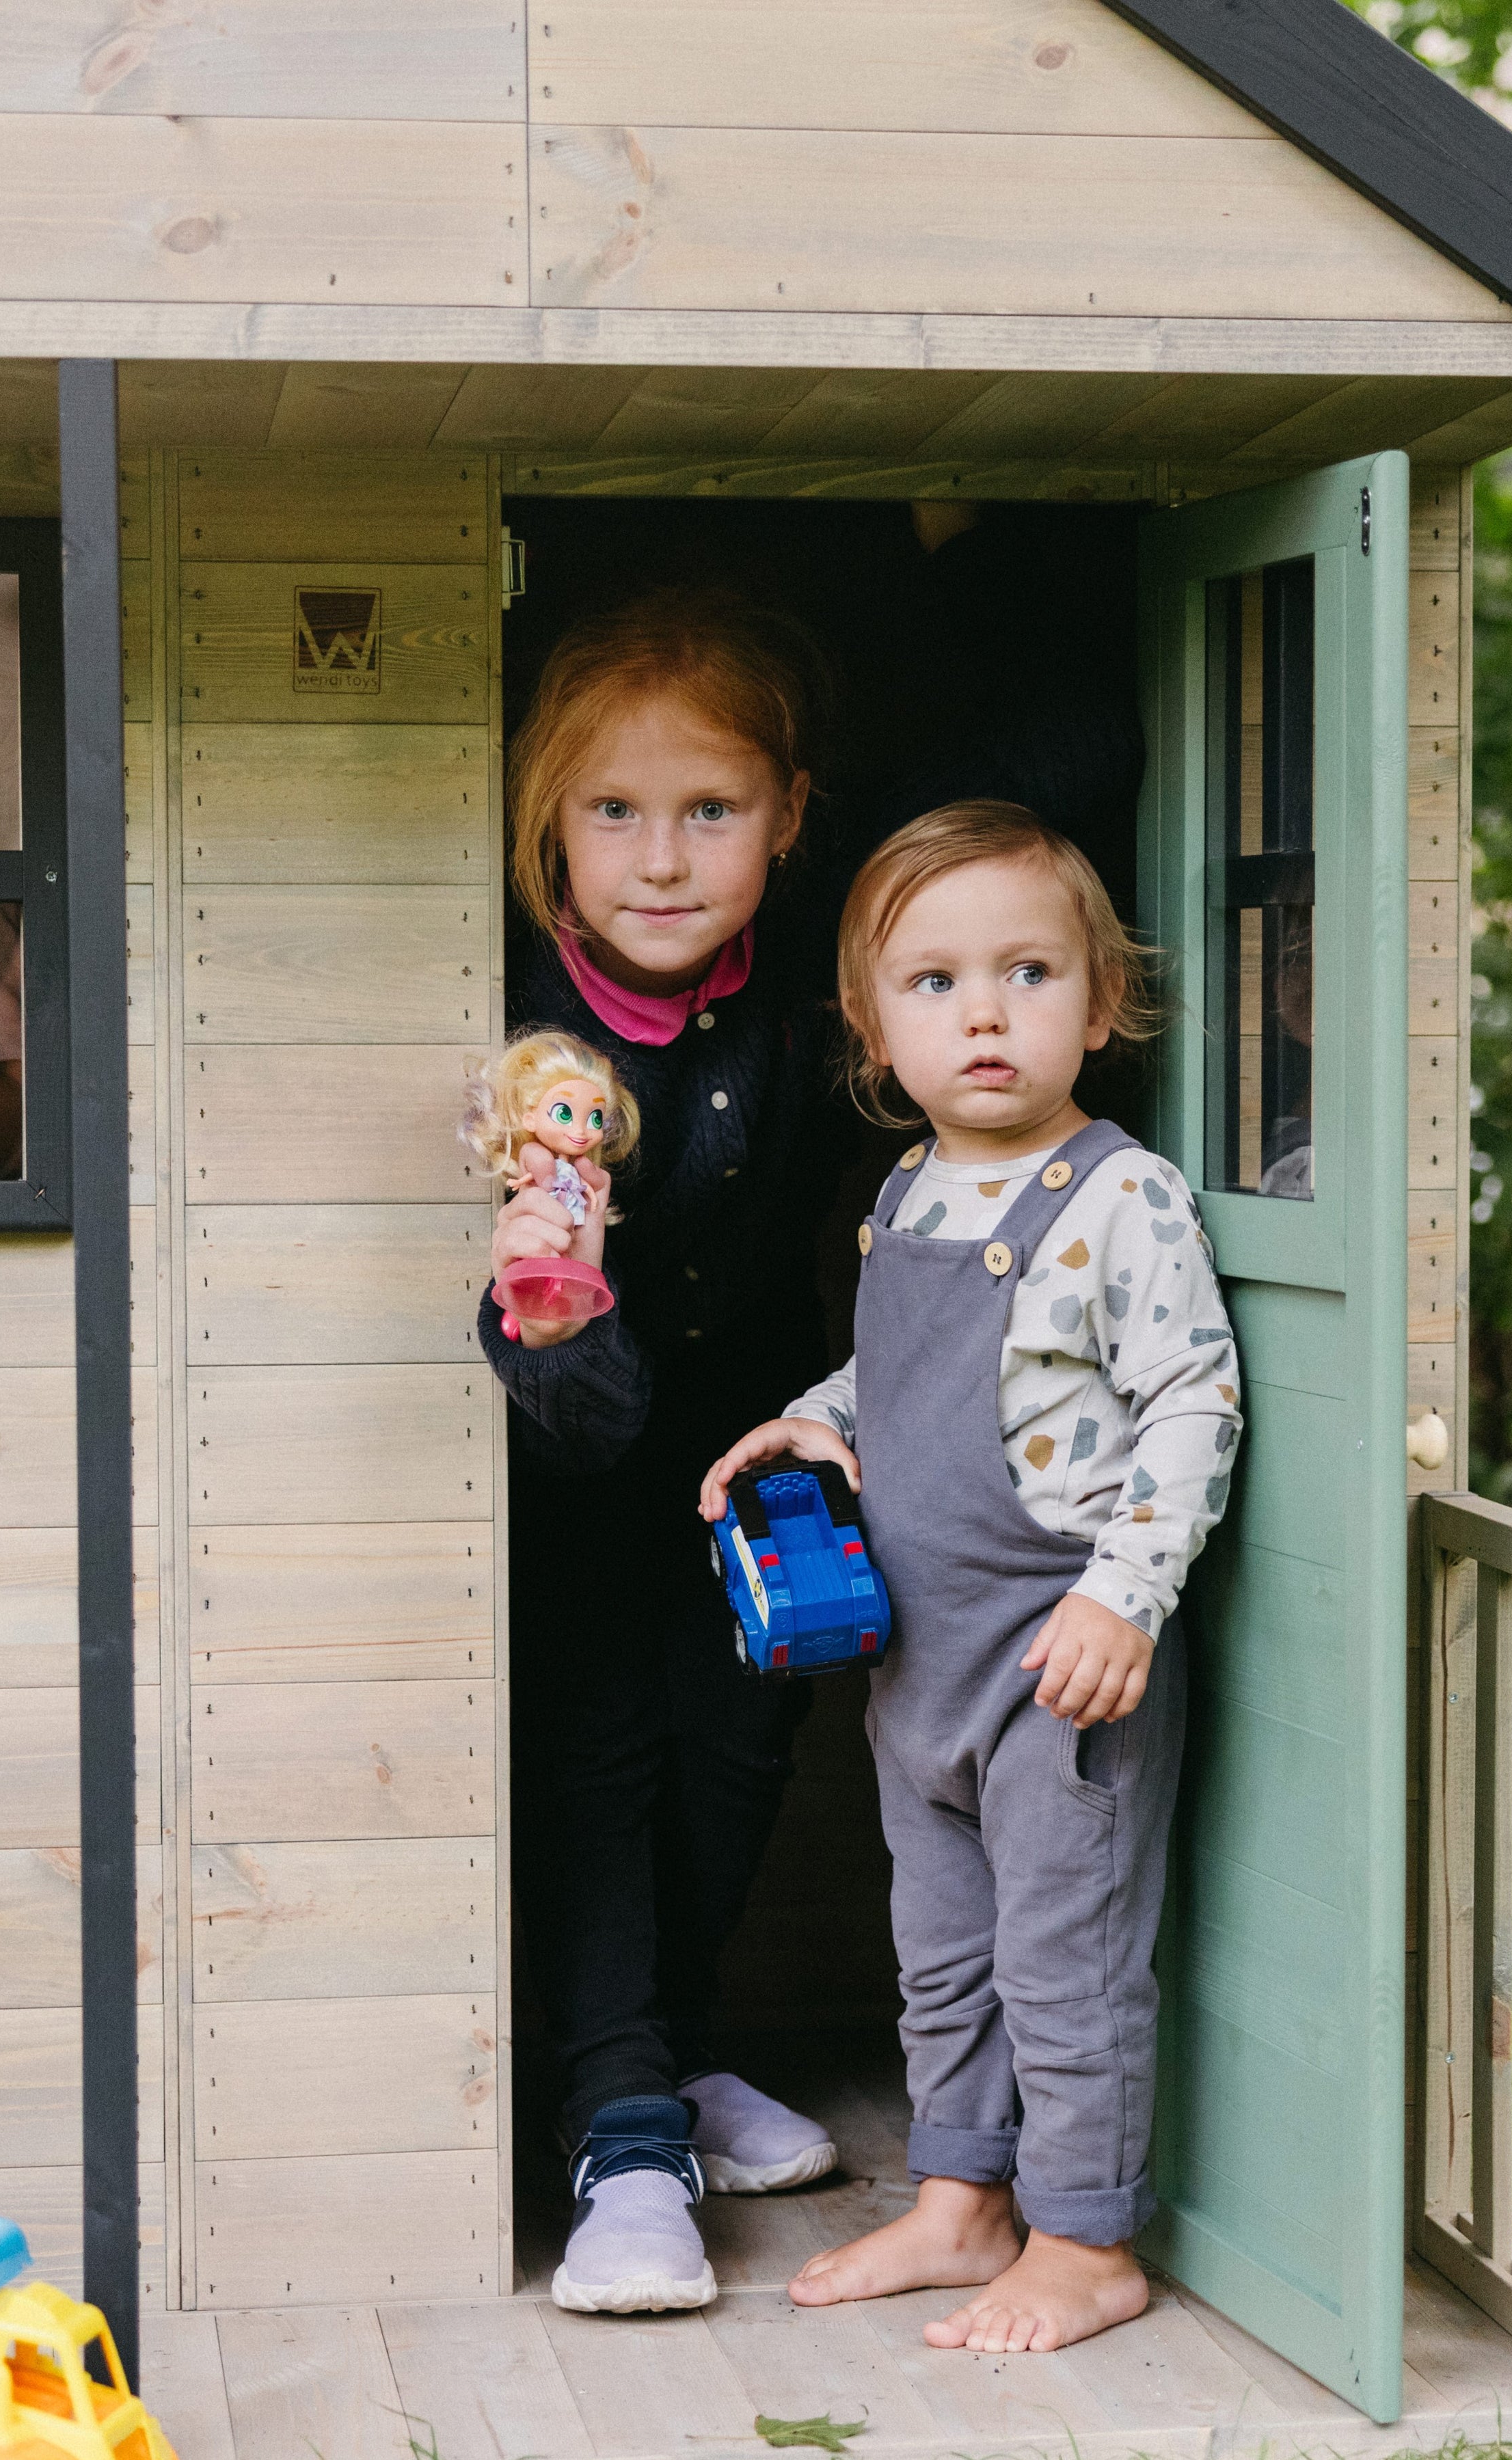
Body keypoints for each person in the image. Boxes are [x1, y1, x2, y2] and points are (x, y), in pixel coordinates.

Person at [699, 800, 1241, 2355]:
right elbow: (904, 1377)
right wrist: (810, 1420)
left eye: (1029, 973)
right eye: (934, 983)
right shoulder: (911, 1192)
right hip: (916, 1662)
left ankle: (1085, 2238)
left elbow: (1193, 1400)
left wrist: (1122, 1595)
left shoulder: (1119, 1197)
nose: (986, 1013)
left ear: (1102, 1000)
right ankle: (961, 2200)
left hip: (1055, 1652)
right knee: (941, 1955)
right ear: (871, 1024)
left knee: (1065, 1964)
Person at [477, 589, 858, 2316]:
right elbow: (558, 1377)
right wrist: (565, 1336)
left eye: (711, 808)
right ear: (545, 819)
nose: (661, 857)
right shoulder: (513, 1016)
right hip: (574, 1466)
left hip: (768, 1455)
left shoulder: (817, 1004)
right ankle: (624, 2138)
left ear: (787, 809)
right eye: (614, 811)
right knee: (598, 1759)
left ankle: (674, 2062)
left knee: (740, 1752)